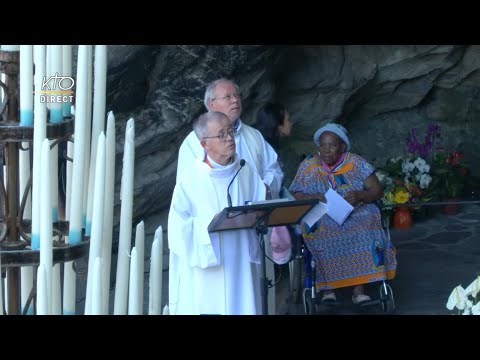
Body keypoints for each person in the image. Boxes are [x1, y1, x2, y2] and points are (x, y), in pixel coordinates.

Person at [168, 111, 266, 315]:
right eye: (221, 134)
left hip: (241, 263)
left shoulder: (245, 171)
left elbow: (260, 207)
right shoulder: (190, 180)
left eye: (231, 131)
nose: (230, 138)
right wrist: (208, 225)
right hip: (207, 270)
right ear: (205, 144)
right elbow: (178, 229)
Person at [289, 122, 397, 305]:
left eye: (332, 145)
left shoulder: (356, 162)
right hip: (321, 213)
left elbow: (377, 190)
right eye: (322, 145)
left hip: (356, 210)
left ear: (342, 146)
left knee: (364, 226)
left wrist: (360, 194)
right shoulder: (308, 165)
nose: (326, 149)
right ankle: (328, 289)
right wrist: (312, 196)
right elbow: (296, 193)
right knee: (318, 229)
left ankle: (359, 290)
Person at [176, 78, 283, 199]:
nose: (235, 100)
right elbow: (186, 187)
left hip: (257, 211)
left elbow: (273, 168)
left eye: (237, 95)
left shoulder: (254, 135)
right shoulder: (194, 141)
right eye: (227, 97)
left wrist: (265, 190)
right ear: (212, 104)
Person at [253, 102, 294, 264]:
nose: (291, 123)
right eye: (288, 119)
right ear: (278, 125)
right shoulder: (263, 149)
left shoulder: (271, 147)